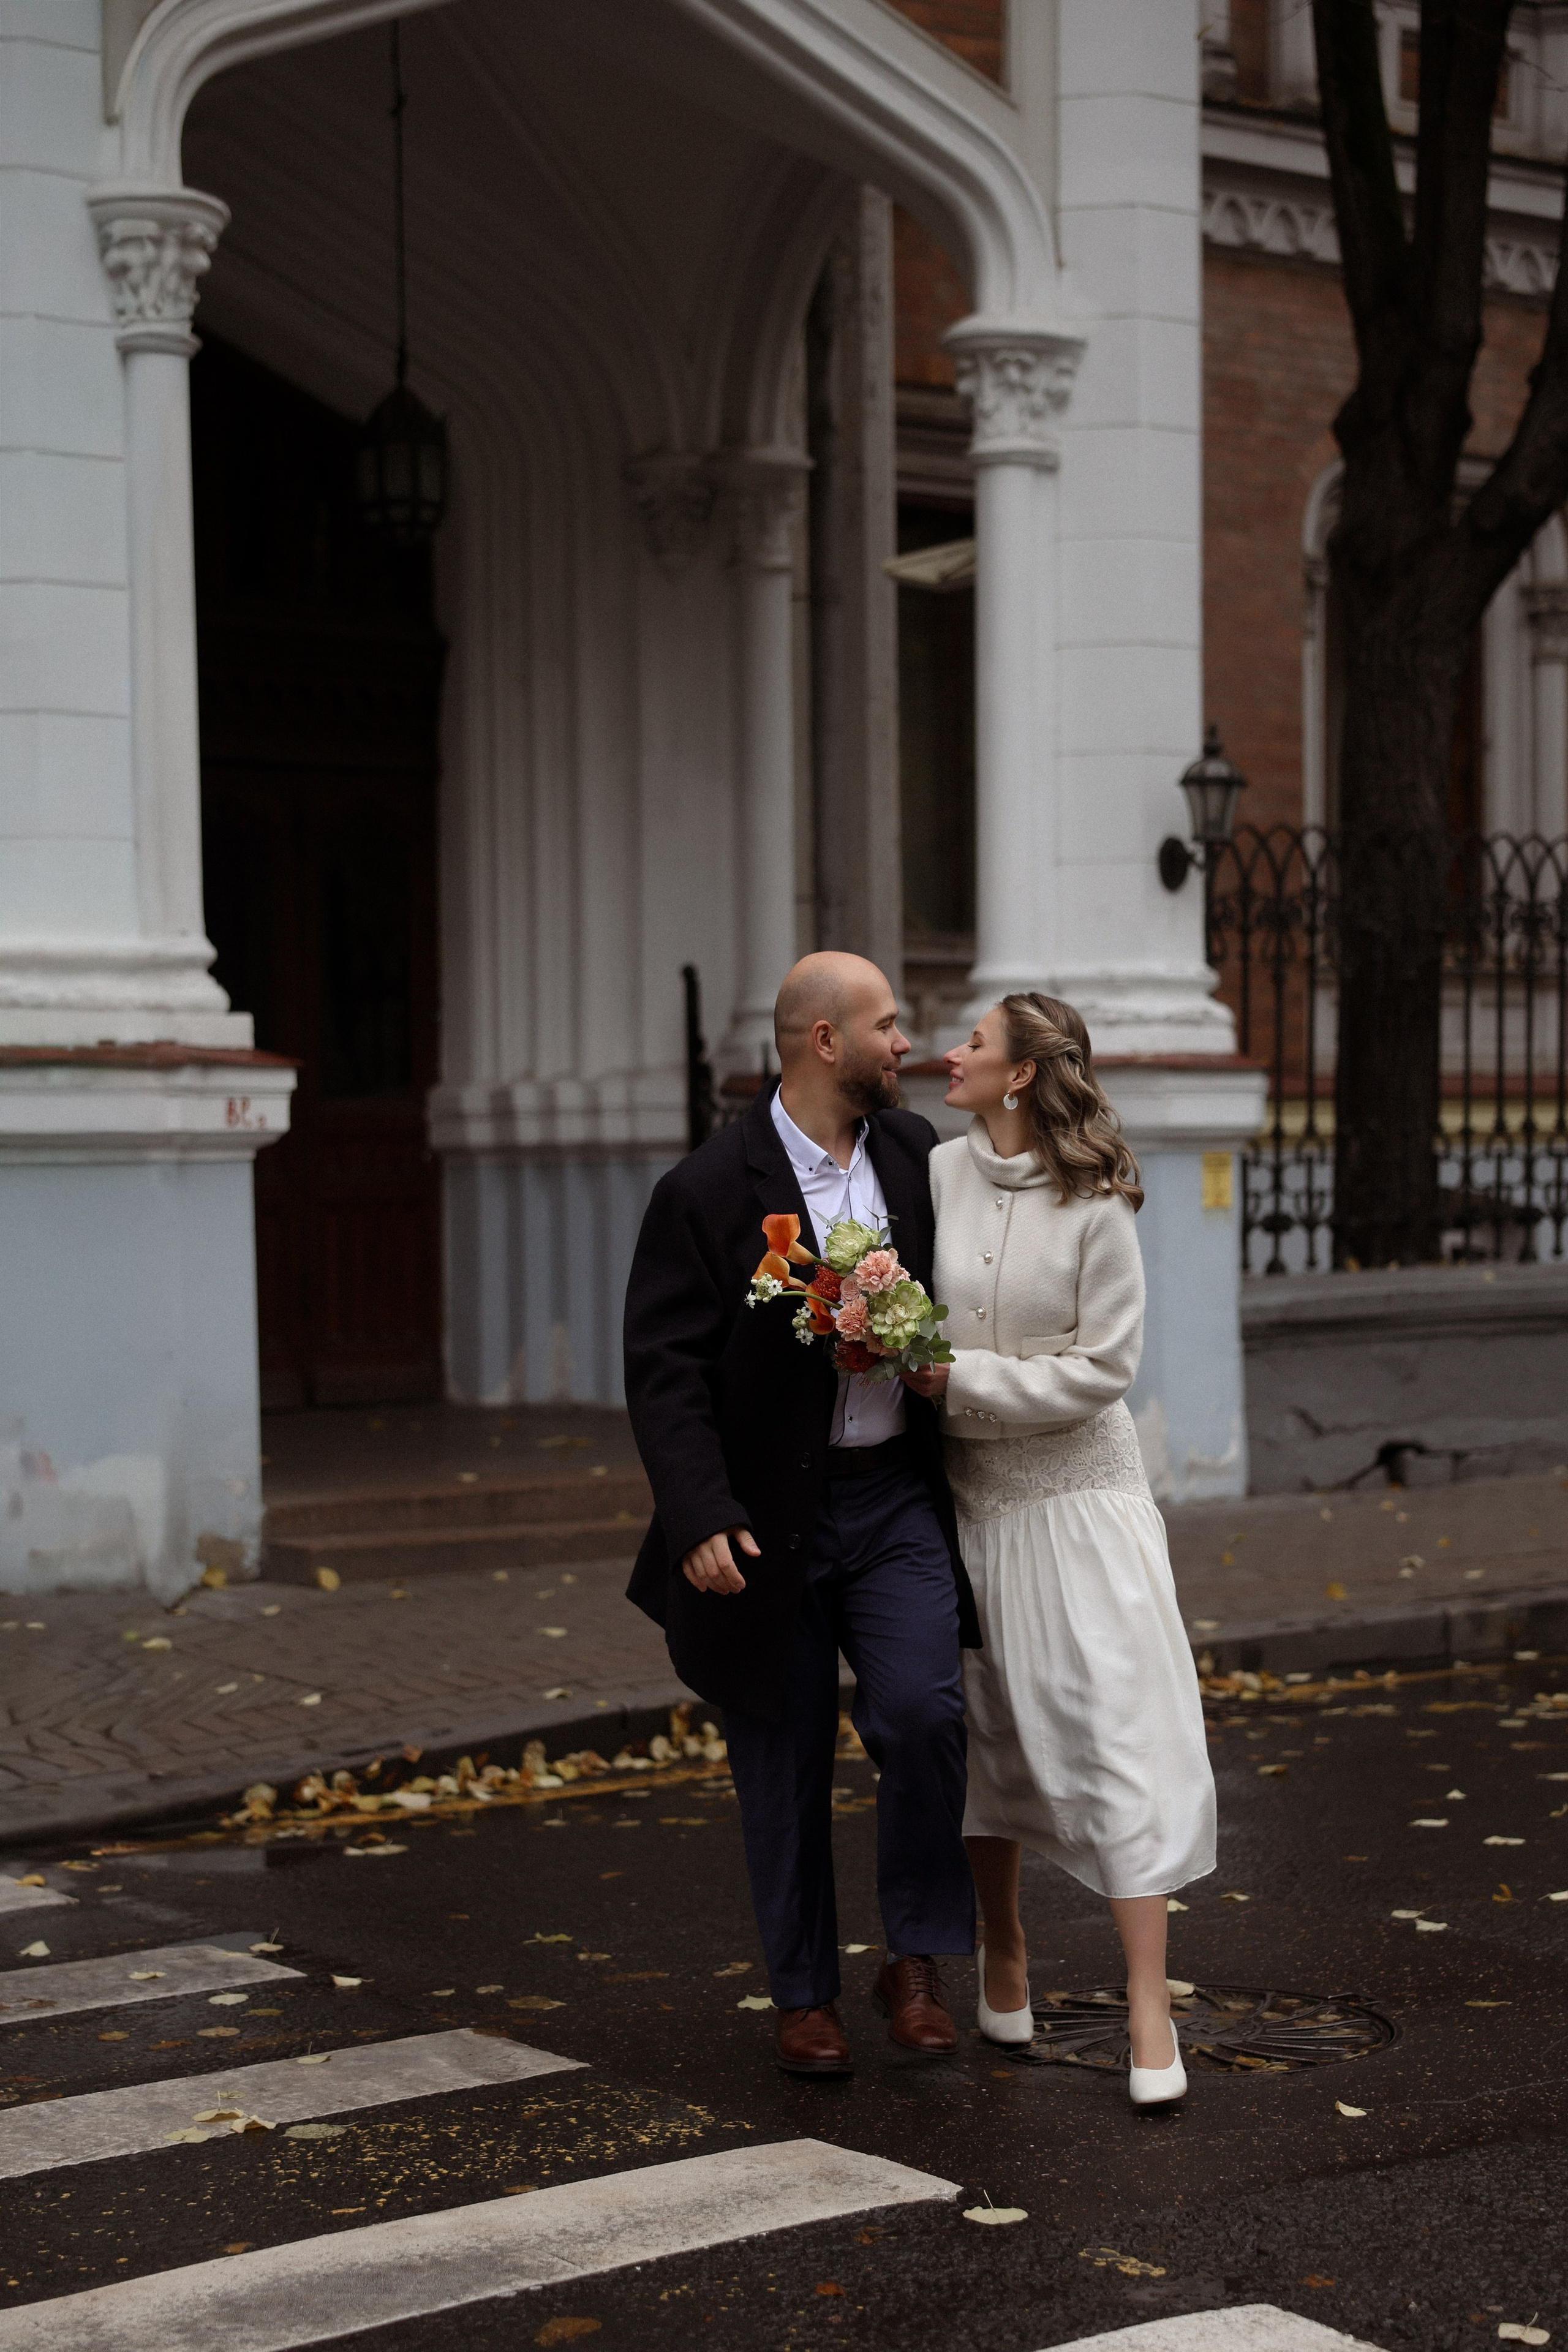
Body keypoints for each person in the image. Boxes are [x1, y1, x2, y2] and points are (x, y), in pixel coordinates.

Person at [624, 952, 979, 2076]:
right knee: (779, 1757)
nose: (905, 1043)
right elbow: (664, 1369)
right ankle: (804, 1993)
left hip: (892, 1503)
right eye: (887, 1024)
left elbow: (1012, 1214)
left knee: (924, 1714)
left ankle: (914, 1959)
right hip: (769, 1515)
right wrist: (698, 1515)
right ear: (826, 1043)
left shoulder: (919, 1157)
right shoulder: (706, 1190)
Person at [902, 993, 1215, 2108]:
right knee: (993, 1739)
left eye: (974, 1044)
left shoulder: (1100, 1202)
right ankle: (1005, 1949)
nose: (951, 1053)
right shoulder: (933, 1175)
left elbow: (1103, 1372)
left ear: (1024, 1073)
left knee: (1118, 1734)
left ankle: (1145, 2001)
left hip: (1081, 1505)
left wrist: (958, 1383)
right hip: (971, 1505)